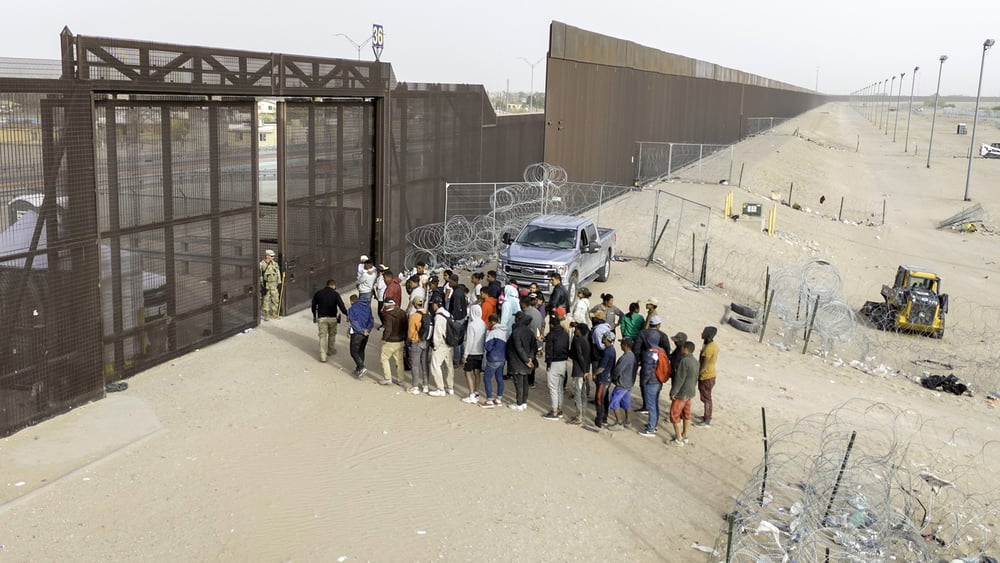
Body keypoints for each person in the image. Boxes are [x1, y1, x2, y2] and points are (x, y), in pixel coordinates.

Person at [636, 315, 671, 436]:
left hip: (650, 380)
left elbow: (637, 352)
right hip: (659, 379)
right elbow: (668, 352)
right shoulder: (661, 349)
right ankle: (653, 425)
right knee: (655, 403)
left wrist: (643, 381)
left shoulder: (647, 352)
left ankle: (651, 429)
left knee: (651, 404)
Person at [669, 341, 700, 446]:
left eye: (682, 348)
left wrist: (673, 392)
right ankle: (685, 435)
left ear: (686, 349)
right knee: (687, 414)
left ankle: (678, 439)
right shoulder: (695, 361)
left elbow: (680, 378)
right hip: (690, 392)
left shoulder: (684, 361)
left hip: (682, 393)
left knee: (674, 415)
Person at [311, 279, 349, 362]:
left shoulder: (318, 293)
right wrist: (348, 315)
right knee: (332, 335)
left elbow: (313, 306)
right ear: (334, 286)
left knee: (322, 337)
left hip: (322, 318)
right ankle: (331, 350)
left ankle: (323, 355)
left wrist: (314, 316)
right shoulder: (335, 294)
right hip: (332, 318)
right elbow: (342, 307)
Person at [506, 312, 537, 411]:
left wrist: (526, 360)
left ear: (518, 319)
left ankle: (519, 403)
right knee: (524, 382)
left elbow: (518, 347)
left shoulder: (516, 331)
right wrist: (530, 358)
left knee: (518, 383)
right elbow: (534, 347)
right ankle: (524, 402)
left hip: (517, 361)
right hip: (526, 360)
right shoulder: (530, 331)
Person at [542, 315, 570, 420]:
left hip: (554, 362)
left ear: (551, 324)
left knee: (553, 388)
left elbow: (549, 351)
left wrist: (548, 364)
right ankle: (560, 409)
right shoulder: (565, 334)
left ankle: (554, 412)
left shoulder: (551, 334)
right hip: (563, 362)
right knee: (559, 388)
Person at [427, 294, 455, 397]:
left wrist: (435, 346)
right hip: (450, 343)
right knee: (449, 366)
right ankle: (450, 387)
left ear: (435, 305)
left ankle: (440, 389)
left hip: (442, 344)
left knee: (435, 365)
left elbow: (438, 333)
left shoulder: (439, 317)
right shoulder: (447, 314)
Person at [608, 337, 637, 430]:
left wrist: (613, 378)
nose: (620, 345)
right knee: (626, 402)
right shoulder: (632, 356)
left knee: (614, 401)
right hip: (629, 383)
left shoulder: (626, 357)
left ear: (625, 346)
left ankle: (619, 422)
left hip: (622, 383)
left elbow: (618, 370)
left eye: (622, 344)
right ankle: (628, 421)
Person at [461, 303, 487, 404]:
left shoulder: (471, 325)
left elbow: (470, 341)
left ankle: (471, 394)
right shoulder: (483, 324)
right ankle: (476, 392)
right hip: (480, 352)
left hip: (472, 352)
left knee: (467, 373)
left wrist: (465, 355)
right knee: (477, 373)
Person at [378, 299, 407, 386]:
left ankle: (388, 378)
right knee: (399, 361)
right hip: (400, 340)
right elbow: (406, 325)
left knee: (384, 359)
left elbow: (388, 329)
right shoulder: (402, 312)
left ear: (387, 306)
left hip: (390, 341)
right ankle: (401, 380)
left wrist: (384, 339)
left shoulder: (387, 316)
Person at [567, 322, 591, 425]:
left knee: (578, 394)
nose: (575, 331)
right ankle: (582, 414)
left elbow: (579, 356)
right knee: (583, 394)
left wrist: (584, 370)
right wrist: (587, 370)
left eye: (576, 329)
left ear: (579, 331)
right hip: (584, 370)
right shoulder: (586, 340)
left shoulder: (578, 341)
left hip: (579, 371)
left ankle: (579, 417)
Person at [482, 313, 508, 408]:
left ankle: (489, 400)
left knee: (487, 378)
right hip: (502, 358)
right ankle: (498, 398)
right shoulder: (505, 331)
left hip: (493, 358)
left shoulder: (493, 332)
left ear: (492, 322)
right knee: (499, 378)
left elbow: (488, 346)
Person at [593, 331, 616, 428]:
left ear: (607, 339)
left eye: (604, 337)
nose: (602, 338)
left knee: (599, 399)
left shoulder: (607, 351)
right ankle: (604, 418)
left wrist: (595, 374)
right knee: (605, 399)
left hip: (603, 379)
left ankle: (599, 420)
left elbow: (602, 367)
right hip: (608, 378)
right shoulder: (612, 350)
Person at [407, 296, 430, 394]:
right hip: (426, 341)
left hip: (416, 342)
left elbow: (411, 331)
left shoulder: (414, 316)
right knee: (425, 364)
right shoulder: (427, 313)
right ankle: (425, 385)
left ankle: (415, 386)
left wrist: (410, 340)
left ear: (415, 304)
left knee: (415, 365)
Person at [697, 326, 719, 427]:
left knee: (706, 398)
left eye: (704, 332)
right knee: (706, 397)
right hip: (710, 374)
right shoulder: (711, 345)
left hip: (706, 376)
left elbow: (704, 365)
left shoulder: (709, 348)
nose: (702, 333)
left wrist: (697, 374)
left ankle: (707, 418)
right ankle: (707, 416)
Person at [347, 294, 374, 378]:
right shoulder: (367, 307)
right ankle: (359, 368)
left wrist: (362, 331)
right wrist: (367, 330)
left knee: (353, 351)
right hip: (366, 333)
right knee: (361, 350)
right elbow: (371, 320)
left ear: (351, 301)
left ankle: (361, 367)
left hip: (357, 333)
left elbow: (354, 322)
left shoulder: (351, 309)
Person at [259, 249, 281, 321]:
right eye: (271, 256)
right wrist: (262, 285)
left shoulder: (275, 264)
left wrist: (279, 282)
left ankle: (274, 314)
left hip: (274, 284)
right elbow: (260, 275)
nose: (273, 257)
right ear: (267, 256)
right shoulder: (261, 264)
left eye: (273, 256)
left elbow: (278, 273)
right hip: (266, 285)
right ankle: (266, 315)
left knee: (275, 299)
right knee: (266, 300)